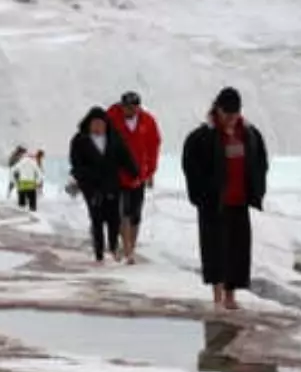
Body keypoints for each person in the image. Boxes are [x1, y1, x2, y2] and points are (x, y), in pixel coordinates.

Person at [182, 87, 269, 310]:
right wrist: (201, 194)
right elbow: (191, 168)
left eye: (235, 113)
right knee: (215, 249)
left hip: (239, 201)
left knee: (237, 250)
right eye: (226, 113)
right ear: (217, 110)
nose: (231, 118)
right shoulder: (202, 137)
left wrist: (256, 189)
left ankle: (231, 295)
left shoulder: (249, 134)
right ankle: (217, 295)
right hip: (214, 203)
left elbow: (260, 162)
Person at [70, 106, 137, 264]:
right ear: (88, 124)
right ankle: (99, 253)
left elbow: (125, 156)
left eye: (102, 123)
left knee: (113, 219)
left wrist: (134, 171)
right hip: (91, 187)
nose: (99, 127)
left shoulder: (114, 138)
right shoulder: (80, 140)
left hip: (112, 185)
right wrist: (83, 178)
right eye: (95, 123)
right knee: (97, 219)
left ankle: (113, 247)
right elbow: (76, 163)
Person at [107, 91, 162, 264]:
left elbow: (154, 145)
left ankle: (131, 245)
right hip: (117, 174)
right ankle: (127, 250)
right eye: (126, 106)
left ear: (138, 107)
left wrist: (151, 171)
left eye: (133, 107)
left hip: (139, 175)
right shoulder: (112, 118)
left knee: (135, 213)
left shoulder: (148, 121)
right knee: (122, 211)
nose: (129, 110)